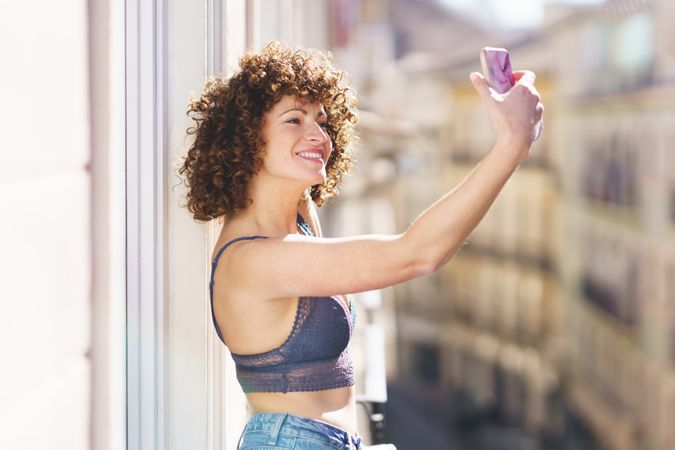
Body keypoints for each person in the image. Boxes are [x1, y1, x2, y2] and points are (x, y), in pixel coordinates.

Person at [178, 41, 543, 450]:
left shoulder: (297, 220)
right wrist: (512, 143)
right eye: (293, 120)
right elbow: (417, 254)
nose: (317, 135)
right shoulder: (255, 259)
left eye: (321, 119)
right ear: (246, 138)